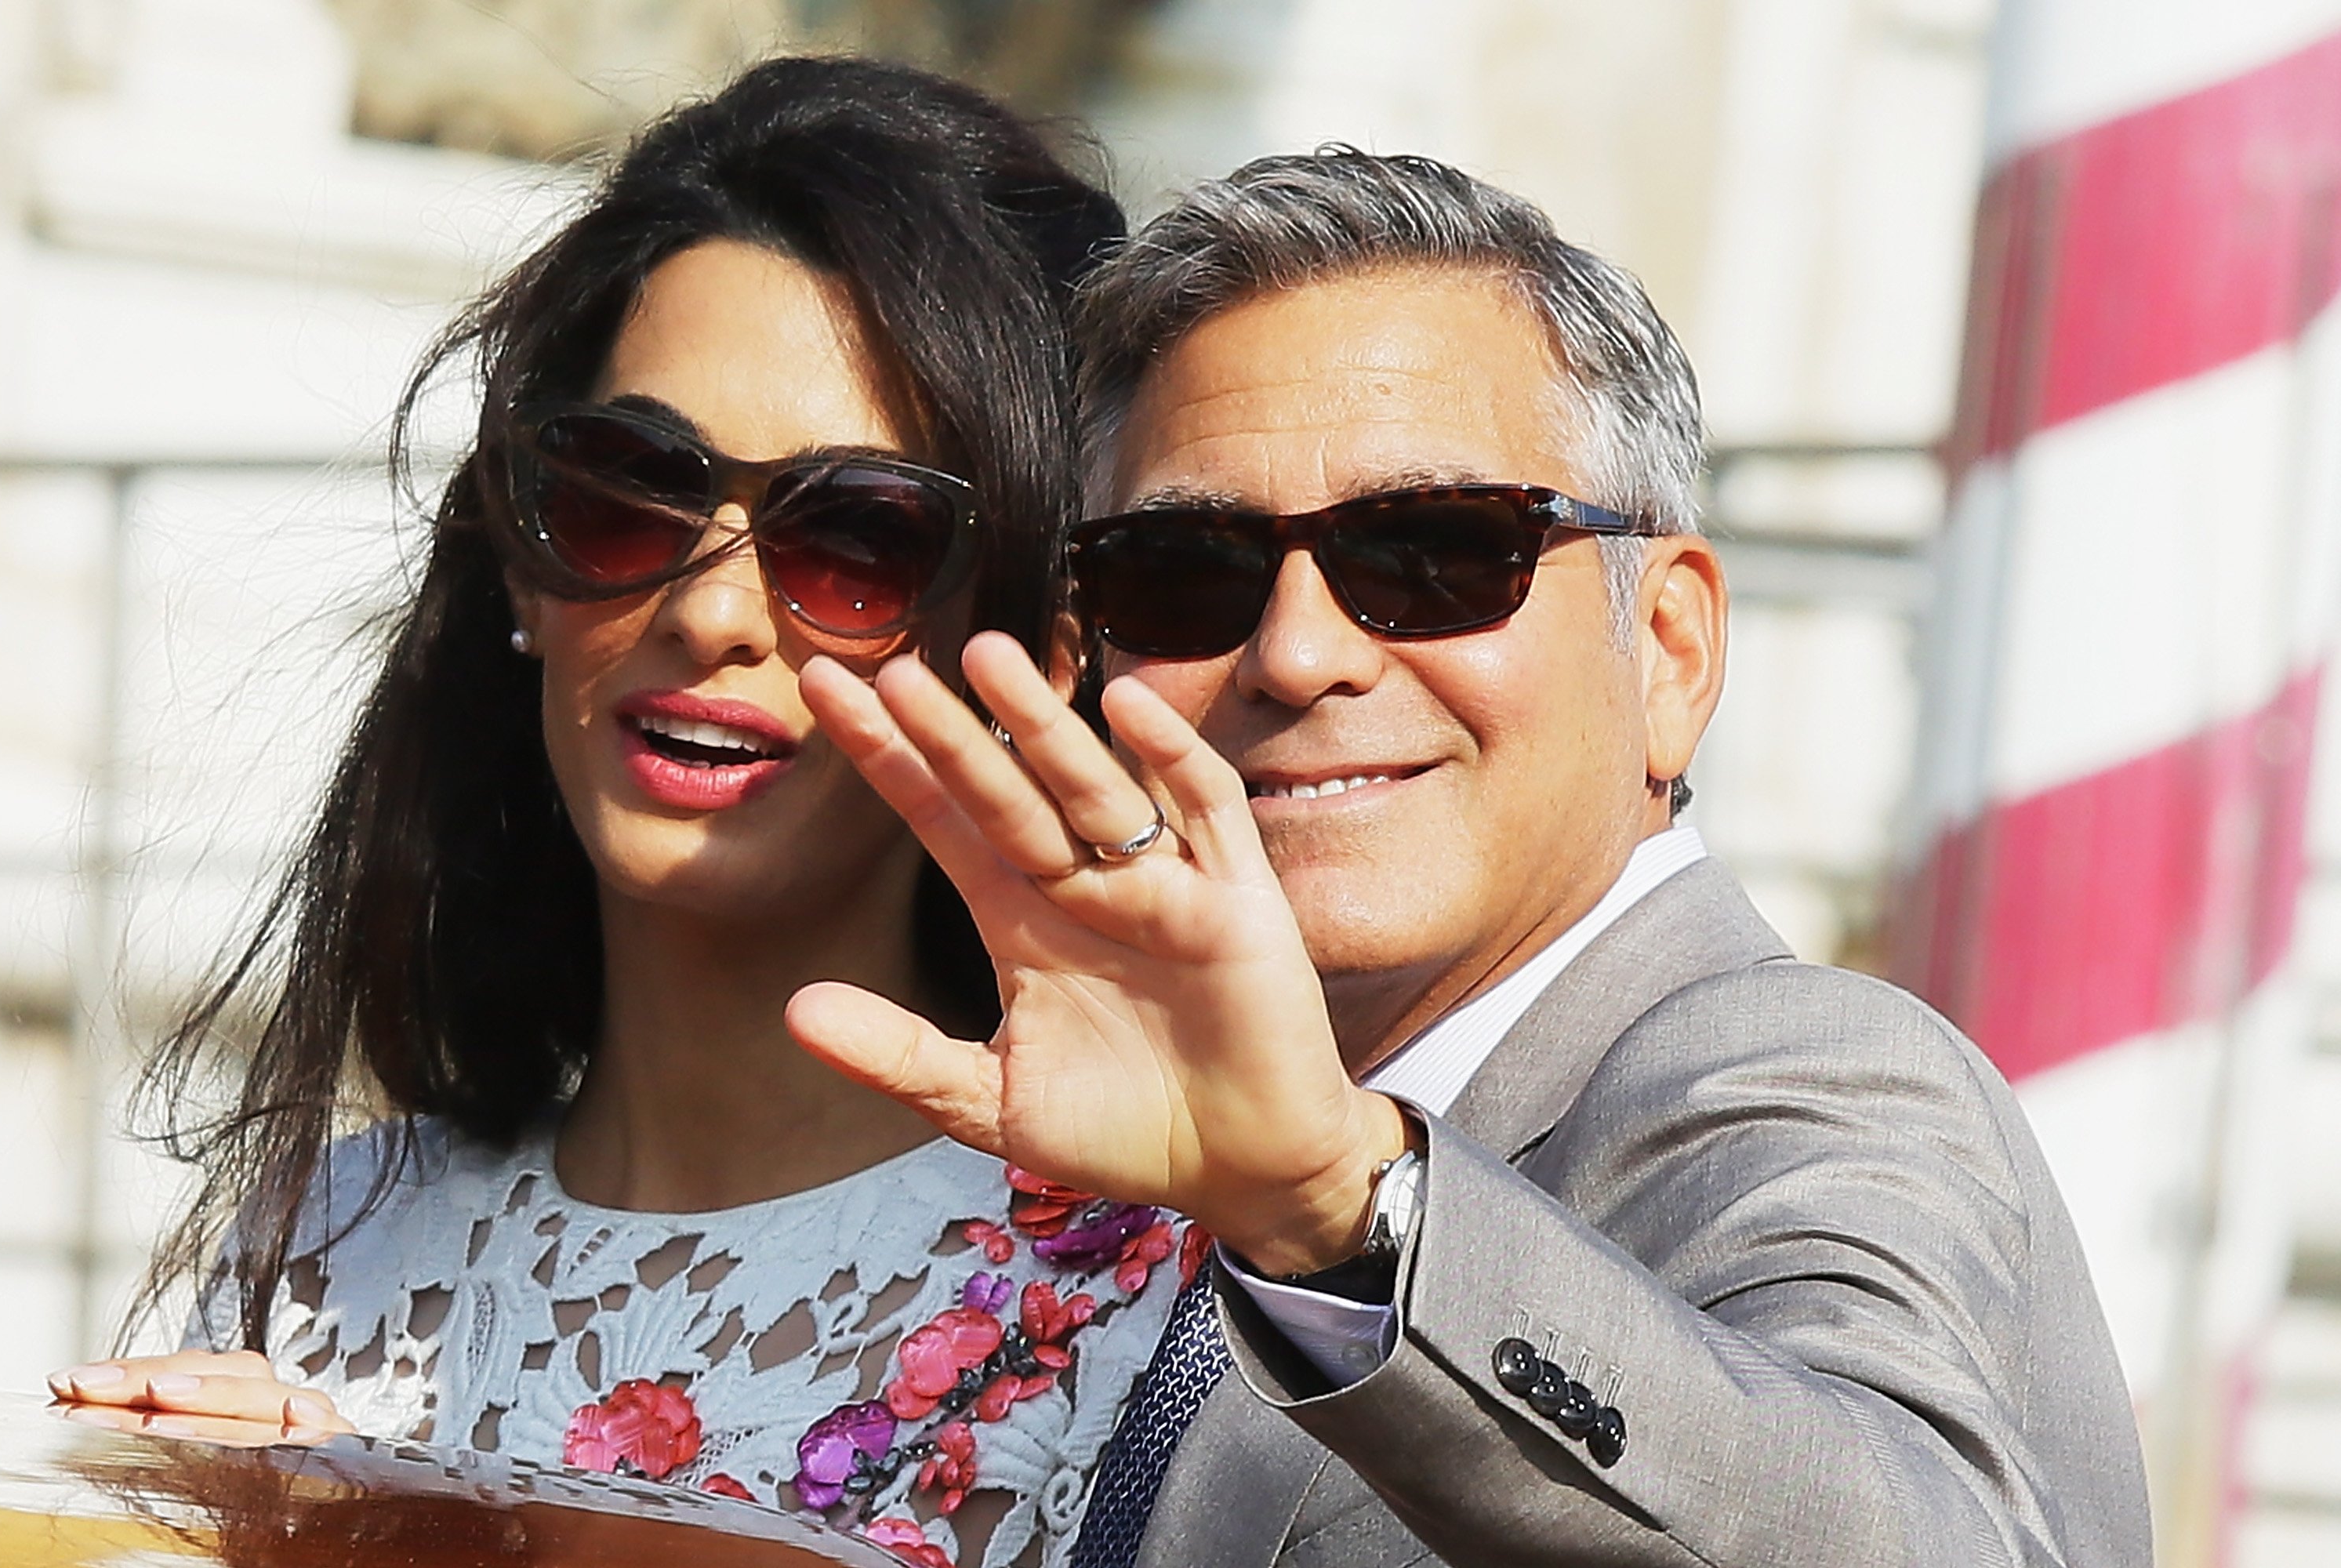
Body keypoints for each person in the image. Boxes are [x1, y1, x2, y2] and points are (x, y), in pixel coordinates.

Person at [784, 151, 2153, 1566]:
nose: (1300, 655)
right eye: (1186, 569)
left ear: (1670, 649)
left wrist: (1345, 1211)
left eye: (1433, 553)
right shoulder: (1137, 1136)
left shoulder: (1790, 1072)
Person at [50, 56, 1181, 1568]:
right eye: (629, 490)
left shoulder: (1164, 1294)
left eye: (858, 533)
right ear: (521, 568)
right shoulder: (328, 1247)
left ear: (1028, 649)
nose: (711, 610)